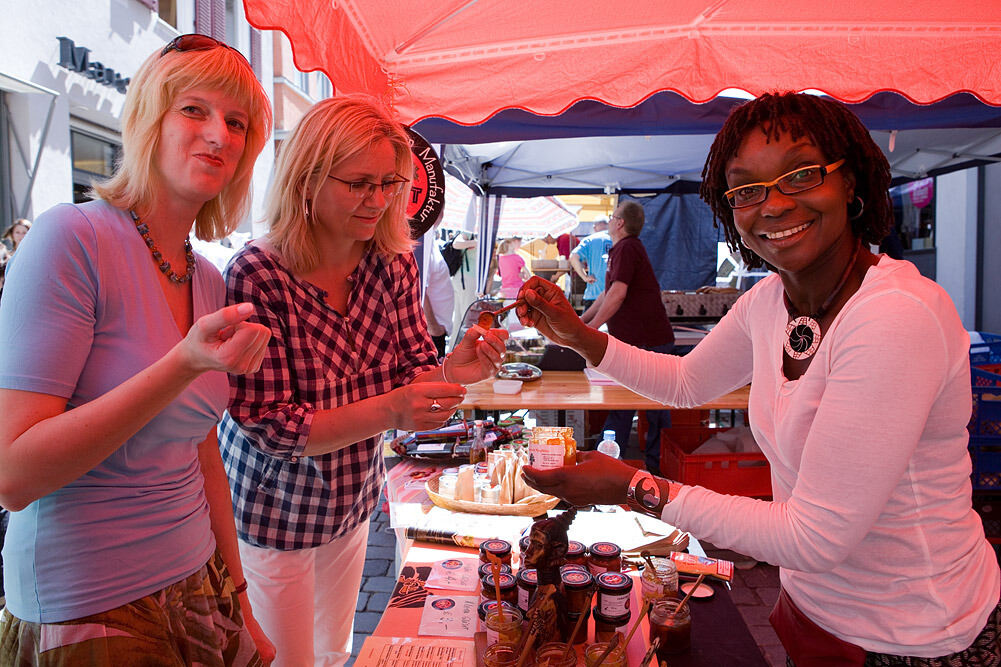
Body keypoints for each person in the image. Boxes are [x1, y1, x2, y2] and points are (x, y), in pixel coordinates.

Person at [516, 92, 1000, 665]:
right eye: (747, 189)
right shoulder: (771, 300)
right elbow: (686, 383)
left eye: (799, 176)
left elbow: (815, 536)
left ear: (849, 183)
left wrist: (634, 489)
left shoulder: (895, 315)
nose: (771, 206)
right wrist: (578, 336)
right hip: (814, 612)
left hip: (914, 633)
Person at [0, 35, 276, 665]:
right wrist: (183, 364)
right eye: (193, 110)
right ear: (148, 120)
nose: (219, 135)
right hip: (89, 602)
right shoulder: (72, 240)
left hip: (196, 581)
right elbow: (13, 476)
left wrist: (240, 597)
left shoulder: (206, 277)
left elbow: (200, 444)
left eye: (237, 123)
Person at [218, 95, 507, 667]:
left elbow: (412, 376)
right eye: (358, 184)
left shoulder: (393, 262)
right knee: (285, 659)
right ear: (307, 179)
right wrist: (393, 409)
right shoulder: (258, 274)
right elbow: (275, 429)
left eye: (388, 184)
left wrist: (455, 374)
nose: (378, 201)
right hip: (273, 508)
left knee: (332, 651)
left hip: (351, 497)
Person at [583, 201, 673, 471]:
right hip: (641, 342)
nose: (609, 221)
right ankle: (610, 465)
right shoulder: (623, 249)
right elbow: (606, 294)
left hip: (648, 342)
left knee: (653, 408)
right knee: (626, 405)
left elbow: (617, 295)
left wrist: (592, 327)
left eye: (612, 217)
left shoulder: (627, 247)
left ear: (620, 222)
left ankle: (647, 468)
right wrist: (581, 322)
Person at [569, 218, 612, 310]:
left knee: (589, 324)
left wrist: (585, 277)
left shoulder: (590, 240)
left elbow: (573, 257)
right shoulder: (619, 238)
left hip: (594, 294)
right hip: (615, 295)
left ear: (594, 227)